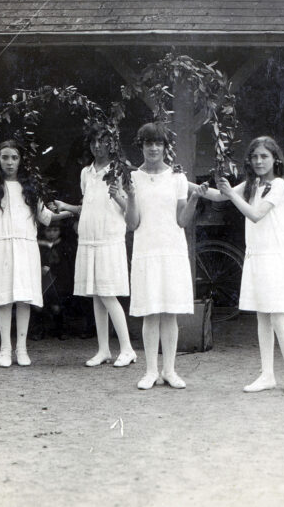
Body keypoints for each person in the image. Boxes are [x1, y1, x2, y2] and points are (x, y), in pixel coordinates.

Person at [197, 136, 284, 393]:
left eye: (264, 156)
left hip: (276, 259)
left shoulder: (279, 186)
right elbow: (218, 197)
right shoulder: (253, 184)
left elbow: (255, 215)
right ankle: (267, 374)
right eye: (255, 157)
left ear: (275, 159)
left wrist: (232, 193)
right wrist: (182, 182)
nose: (259, 161)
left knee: (278, 317)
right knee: (262, 317)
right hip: (257, 258)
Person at [0, 140, 72, 367]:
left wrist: (73, 212)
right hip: (2, 247)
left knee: (24, 298)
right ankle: (5, 349)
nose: (9, 162)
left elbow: (46, 217)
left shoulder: (30, 188)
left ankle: (22, 348)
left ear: (20, 161)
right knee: (5, 299)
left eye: (14, 158)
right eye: (5, 157)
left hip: (26, 247)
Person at [54, 125, 137, 367]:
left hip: (109, 238)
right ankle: (103, 350)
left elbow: (130, 209)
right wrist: (66, 207)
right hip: (88, 239)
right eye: (93, 142)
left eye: (103, 141)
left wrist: (119, 194)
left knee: (108, 294)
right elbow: (87, 207)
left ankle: (128, 348)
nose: (97, 146)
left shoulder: (120, 170)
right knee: (96, 297)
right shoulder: (85, 173)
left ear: (112, 144)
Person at [124, 123, 197, 390]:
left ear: (165, 147)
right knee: (150, 313)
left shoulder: (177, 177)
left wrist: (195, 199)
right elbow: (132, 224)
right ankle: (150, 371)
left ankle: (170, 370)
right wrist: (131, 198)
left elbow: (182, 220)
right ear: (141, 146)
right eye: (148, 143)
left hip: (172, 250)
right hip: (146, 250)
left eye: (158, 143)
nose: (153, 148)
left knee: (169, 313)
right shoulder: (132, 177)